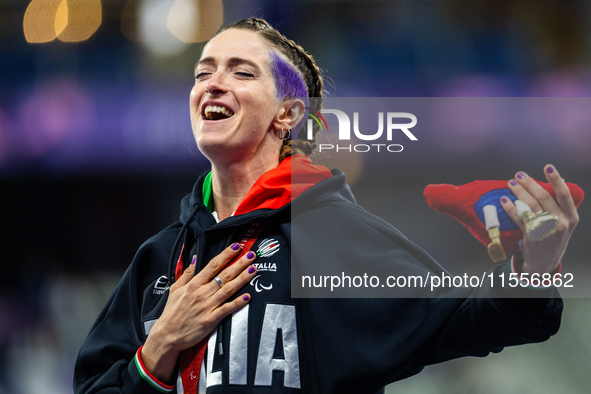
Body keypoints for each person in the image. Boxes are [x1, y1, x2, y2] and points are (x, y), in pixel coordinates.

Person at [74, 18, 578, 394]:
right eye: (203, 71)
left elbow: (466, 319)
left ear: (287, 115)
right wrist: (159, 348)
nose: (212, 83)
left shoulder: (333, 234)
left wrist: (536, 267)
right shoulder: (160, 258)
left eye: (240, 72)